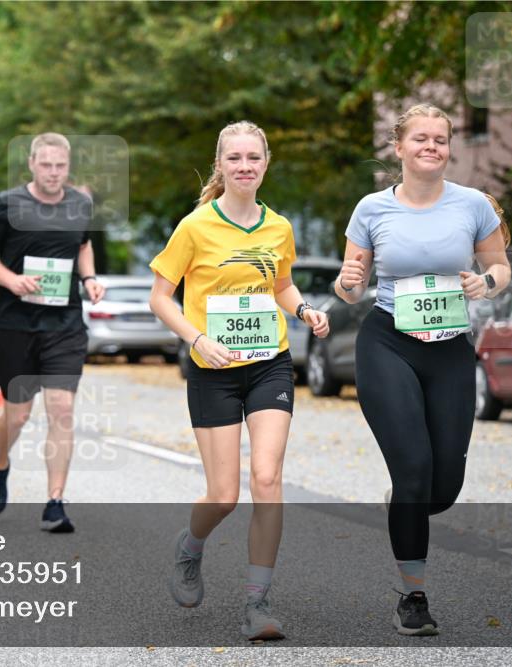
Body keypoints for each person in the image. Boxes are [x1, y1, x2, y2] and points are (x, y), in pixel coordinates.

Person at [149, 121, 329, 640]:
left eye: (254, 158)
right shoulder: (194, 227)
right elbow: (160, 297)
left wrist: (306, 310)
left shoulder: (280, 227)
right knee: (224, 495)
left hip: (270, 362)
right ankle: (191, 547)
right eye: (235, 158)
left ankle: (258, 604)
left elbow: (282, 285)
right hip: (213, 370)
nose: (245, 166)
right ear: (220, 165)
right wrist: (197, 339)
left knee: (267, 479)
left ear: (265, 164)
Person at [335, 103, 510, 637]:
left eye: (440, 139)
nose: (431, 146)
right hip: (388, 343)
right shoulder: (371, 208)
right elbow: (351, 288)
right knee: (413, 468)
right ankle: (413, 597)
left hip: (450, 348)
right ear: (399, 147)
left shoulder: (473, 204)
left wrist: (487, 283)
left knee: (444, 486)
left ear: (449, 147)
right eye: (420, 138)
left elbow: (499, 266)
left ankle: (406, 504)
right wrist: (347, 282)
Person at [0, 132, 105, 533]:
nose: (53, 172)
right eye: (45, 165)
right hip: (14, 325)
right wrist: (11, 280)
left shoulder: (80, 204)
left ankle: (55, 502)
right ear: (31, 164)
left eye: (60, 166)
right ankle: (0, 464)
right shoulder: (9, 203)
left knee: (61, 410)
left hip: (64, 325)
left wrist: (89, 278)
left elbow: (83, 245)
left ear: (68, 166)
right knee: (18, 415)